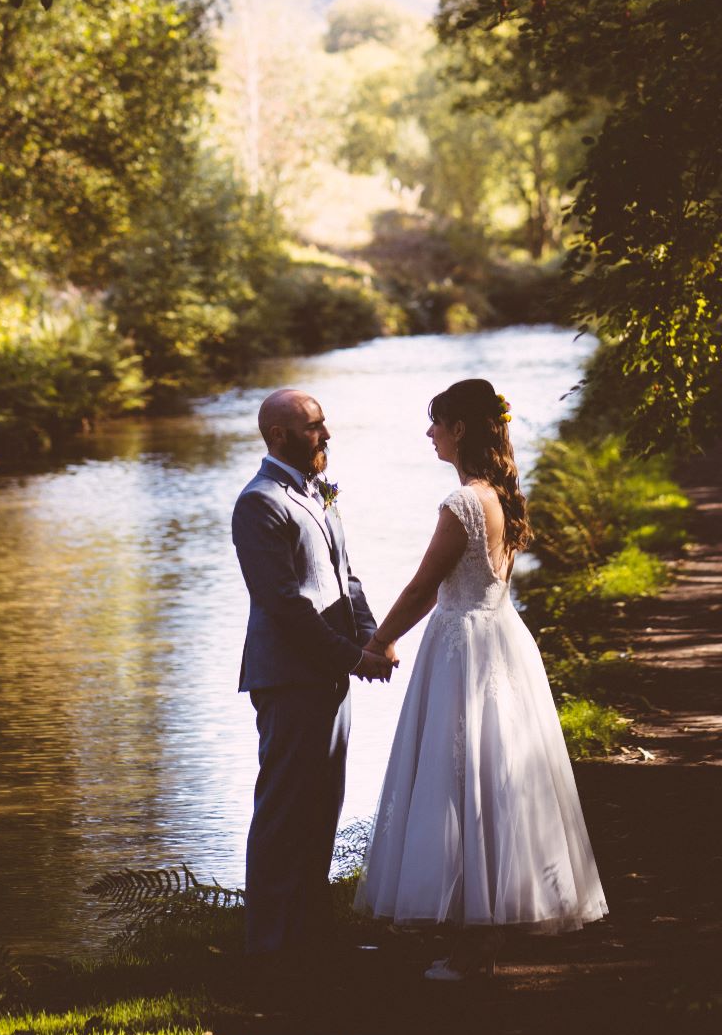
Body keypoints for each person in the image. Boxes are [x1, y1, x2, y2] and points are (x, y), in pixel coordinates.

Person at [354, 377, 607, 978]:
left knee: (457, 779)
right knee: (492, 780)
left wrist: (379, 640)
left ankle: (471, 945)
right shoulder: (503, 495)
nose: (429, 432)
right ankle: (476, 938)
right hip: (500, 637)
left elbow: (421, 588)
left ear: (460, 428)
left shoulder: (463, 502)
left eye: (436, 421)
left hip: (462, 646)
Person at [232, 387, 394, 962]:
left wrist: (374, 639)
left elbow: (345, 578)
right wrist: (350, 657)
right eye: (314, 427)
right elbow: (283, 603)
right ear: (279, 436)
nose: (326, 436)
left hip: (328, 674)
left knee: (322, 806)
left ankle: (312, 937)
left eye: (323, 425)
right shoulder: (259, 502)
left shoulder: (318, 491)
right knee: (283, 812)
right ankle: (270, 950)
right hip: (290, 677)